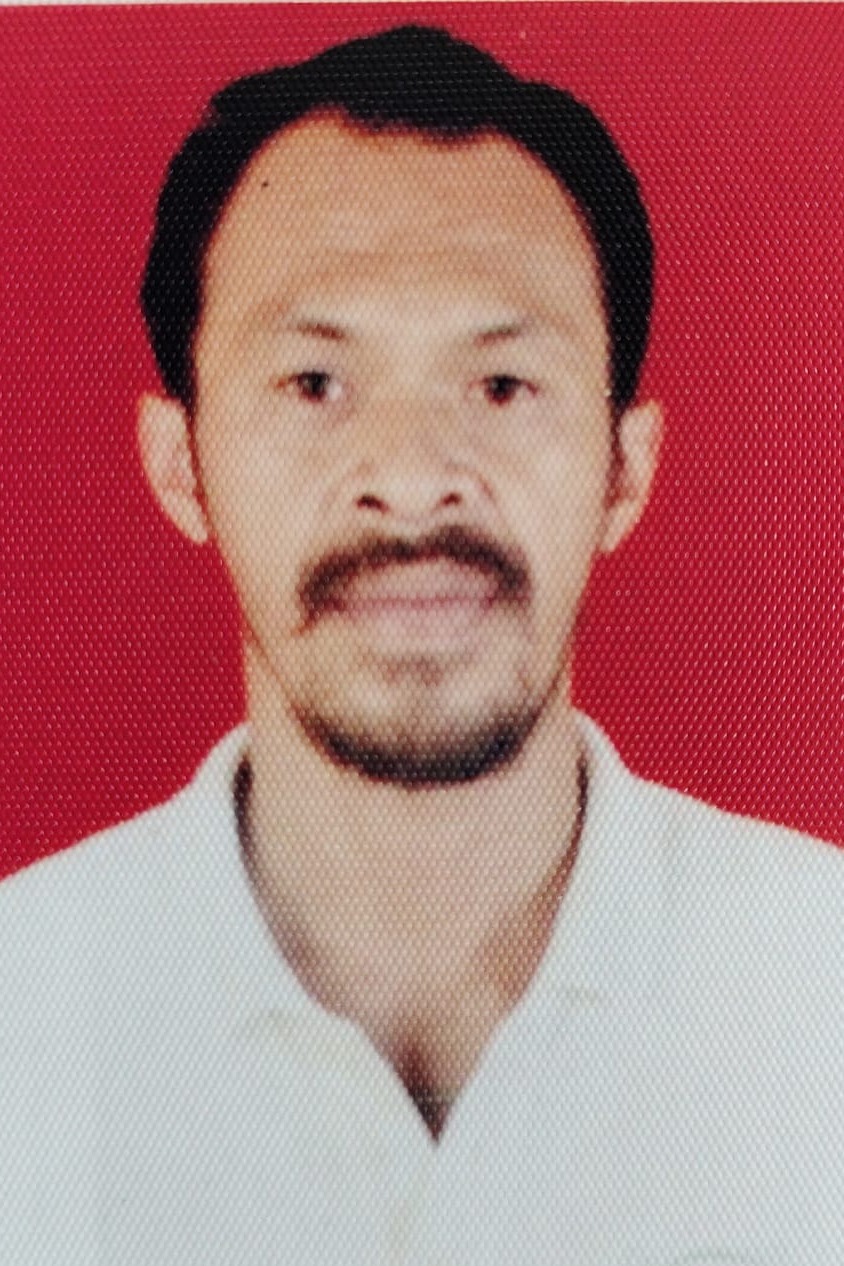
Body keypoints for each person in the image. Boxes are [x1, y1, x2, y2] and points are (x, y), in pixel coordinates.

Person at [2, 24, 842, 1266]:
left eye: (501, 386)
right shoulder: (22, 1013)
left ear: (625, 469)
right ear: (180, 465)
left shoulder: (820, 986)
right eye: (314, 385)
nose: (408, 478)